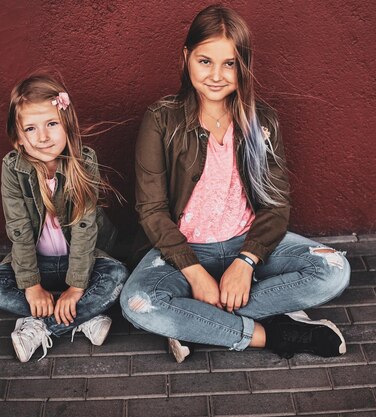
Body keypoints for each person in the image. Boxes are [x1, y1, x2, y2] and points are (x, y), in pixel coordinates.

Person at [120, 5, 350, 362]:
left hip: (246, 242)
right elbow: (150, 210)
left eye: (229, 63)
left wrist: (246, 262)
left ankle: (196, 324)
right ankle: (271, 332)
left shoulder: (262, 121)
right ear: (186, 58)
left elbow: (277, 206)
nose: (216, 75)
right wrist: (194, 272)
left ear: (243, 65)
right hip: (182, 251)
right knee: (138, 303)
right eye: (205, 61)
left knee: (334, 270)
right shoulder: (162, 119)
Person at [0, 73, 128, 362]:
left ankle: (41, 325)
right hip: (38, 265)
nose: (43, 137)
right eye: (31, 129)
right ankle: (84, 317)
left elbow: (85, 229)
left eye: (51, 124)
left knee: (119, 277)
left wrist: (76, 288)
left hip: (84, 262)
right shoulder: (13, 169)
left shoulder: (84, 161)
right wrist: (32, 286)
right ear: (18, 139)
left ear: (67, 126)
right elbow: (19, 230)